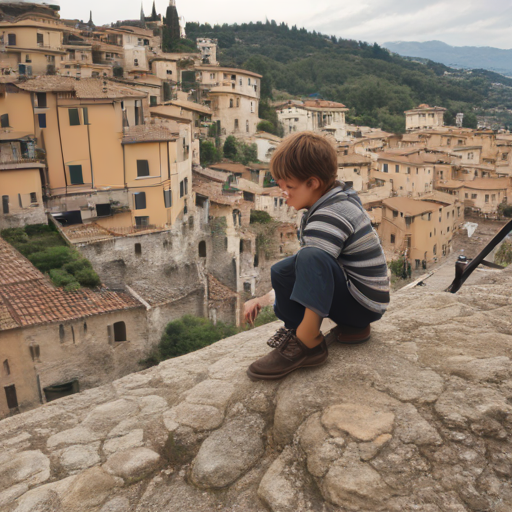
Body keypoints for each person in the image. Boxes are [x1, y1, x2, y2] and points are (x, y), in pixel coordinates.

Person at [244, 131, 390, 381]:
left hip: (362, 305)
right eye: (281, 186)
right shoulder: (336, 199)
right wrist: (263, 299)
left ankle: (307, 341)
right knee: (282, 270)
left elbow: (315, 268)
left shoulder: (329, 215)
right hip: (359, 301)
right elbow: (308, 276)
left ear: (313, 183)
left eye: (289, 187)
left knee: (310, 257)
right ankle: (295, 330)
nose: (284, 194)